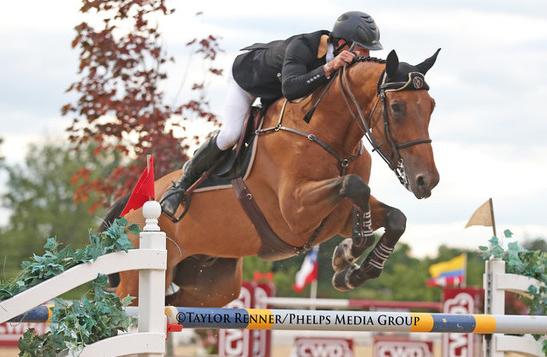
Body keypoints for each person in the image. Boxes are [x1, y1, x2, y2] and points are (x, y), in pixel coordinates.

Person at [161, 11, 383, 217]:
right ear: (343, 44)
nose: (366, 55)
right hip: (248, 80)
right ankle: (181, 184)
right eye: (363, 49)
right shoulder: (303, 46)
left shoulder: (344, 61)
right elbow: (292, 89)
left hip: (277, 92)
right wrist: (328, 68)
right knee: (231, 133)